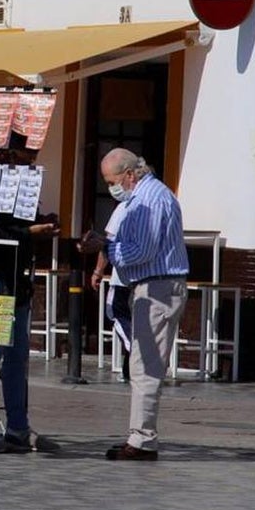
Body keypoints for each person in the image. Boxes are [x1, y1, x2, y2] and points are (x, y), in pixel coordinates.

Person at [79, 148, 188, 461]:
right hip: (151, 285)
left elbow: (141, 251)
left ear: (129, 174)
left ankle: (142, 440)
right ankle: (140, 437)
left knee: (145, 367)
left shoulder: (150, 199)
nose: (110, 187)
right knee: (141, 364)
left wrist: (106, 247)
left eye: (112, 180)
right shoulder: (140, 198)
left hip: (159, 287)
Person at [0, 142, 61, 455]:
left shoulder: (22, 187)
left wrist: (42, 223)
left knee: (17, 358)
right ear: (6, 156)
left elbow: (21, 226)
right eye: (26, 156)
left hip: (17, 283)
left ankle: (18, 427)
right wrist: (32, 232)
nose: (31, 162)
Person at [91, 200, 131, 382]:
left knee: (115, 313)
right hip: (149, 280)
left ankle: (133, 350)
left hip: (123, 278)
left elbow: (108, 242)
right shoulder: (162, 204)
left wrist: (98, 271)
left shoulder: (124, 207)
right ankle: (129, 370)